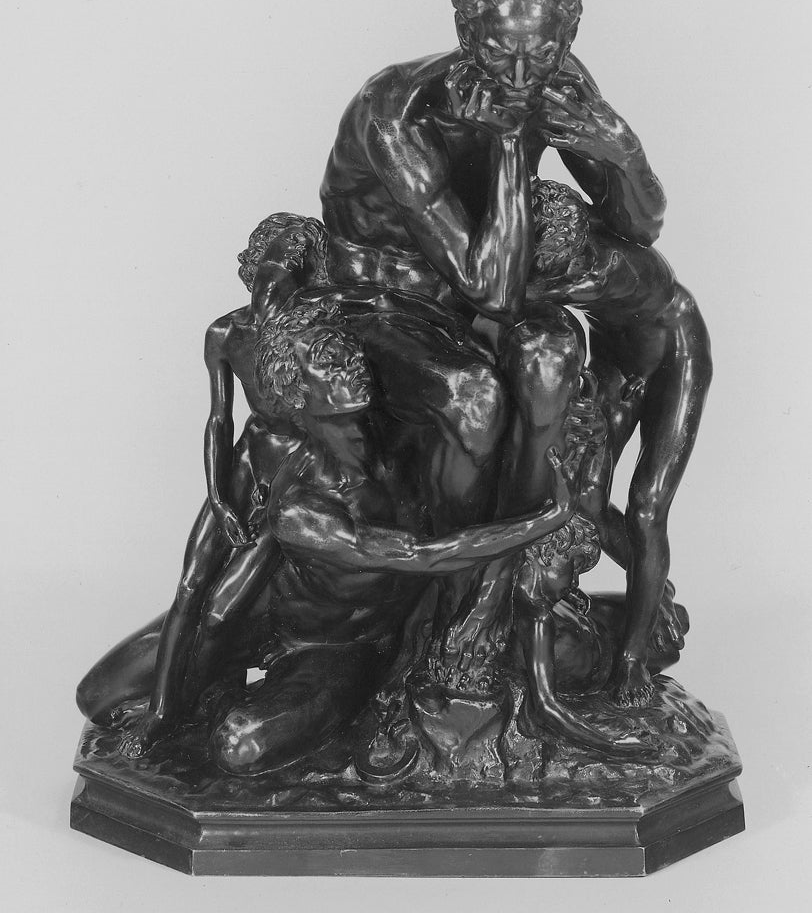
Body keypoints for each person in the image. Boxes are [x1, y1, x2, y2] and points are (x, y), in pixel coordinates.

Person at [319, 0, 667, 653]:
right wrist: (509, 143)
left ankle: (515, 584)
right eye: (499, 52)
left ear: (565, 40)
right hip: (379, 300)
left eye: (540, 55)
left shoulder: (557, 81)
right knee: (471, 399)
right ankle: (454, 598)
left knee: (553, 356)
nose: (518, 76)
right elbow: (495, 294)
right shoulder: (396, 111)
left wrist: (623, 152)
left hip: (477, 282)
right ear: (466, 34)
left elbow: (641, 226)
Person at [206, 300, 595, 775]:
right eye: (329, 361)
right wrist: (548, 517)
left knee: (240, 745)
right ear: (295, 391)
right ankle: (211, 690)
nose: (351, 364)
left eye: (348, 351)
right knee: (125, 692)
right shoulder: (301, 509)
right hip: (288, 626)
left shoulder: (405, 442)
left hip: (348, 643)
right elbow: (425, 555)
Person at [77, 212, 330, 754]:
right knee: (189, 587)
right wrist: (218, 496)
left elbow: (322, 432)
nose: (283, 266)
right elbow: (219, 420)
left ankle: (190, 703)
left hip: (294, 476)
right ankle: (164, 710)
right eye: (277, 252)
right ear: (256, 257)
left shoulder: (308, 339)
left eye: (297, 259)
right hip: (243, 465)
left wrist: (278, 499)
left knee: (221, 608)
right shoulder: (226, 332)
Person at [525, 179, 712, 706]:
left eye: (548, 258)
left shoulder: (601, 268)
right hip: (617, 360)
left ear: (571, 243)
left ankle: (631, 657)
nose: (541, 266)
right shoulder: (558, 254)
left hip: (675, 357)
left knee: (647, 508)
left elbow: (509, 296)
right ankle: (655, 591)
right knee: (585, 499)